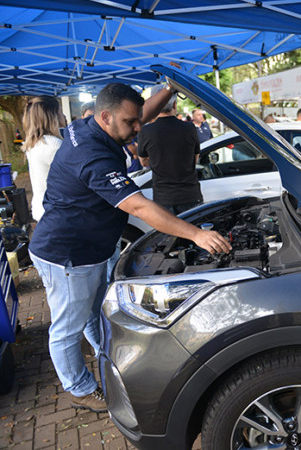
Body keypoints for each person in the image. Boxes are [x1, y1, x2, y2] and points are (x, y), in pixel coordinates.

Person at [28, 82, 231, 413]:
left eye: (137, 122)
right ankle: (78, 388)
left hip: (91, 248)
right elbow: (138, 207)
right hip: (67, 255)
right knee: (68, 326)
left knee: (95, 310)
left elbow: (139, 114)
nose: (138, 130)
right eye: (130, 124)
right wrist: (195, 234)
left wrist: (168, 89)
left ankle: (104, 358)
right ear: (105, 117)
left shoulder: (93, 126)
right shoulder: (91, 154)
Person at [138, 84, 203, 214]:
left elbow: (143, 162)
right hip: (190, 195)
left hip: (163, 198)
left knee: (167, 235)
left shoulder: (146, 131)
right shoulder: (190, 128)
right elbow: (195, 159)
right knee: (193, 233)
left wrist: (159, 161)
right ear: (175, 104)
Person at [21, 96, 66, 221]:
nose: (64, 116)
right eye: (60, 112)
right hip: (55, 213)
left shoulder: (35, 143)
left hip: (42, 209)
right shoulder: (53, 144)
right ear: (52, 117)